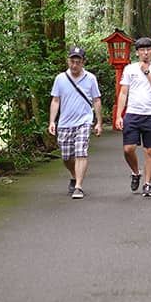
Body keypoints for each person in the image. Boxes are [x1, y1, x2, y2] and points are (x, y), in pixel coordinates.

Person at [48, 46, 102, 199]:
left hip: (84, 121)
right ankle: (73, 175)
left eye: (78, 62)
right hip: (65, 123)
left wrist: (98, 122)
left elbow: (96, 100)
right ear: (68, 61)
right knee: (66, 156)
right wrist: (52, 121)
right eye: (72, 61)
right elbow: (55, 100)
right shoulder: (60, 78)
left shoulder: (90, 78)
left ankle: (78, 186)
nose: (74, 65)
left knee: (81, 152)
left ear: (83, 62)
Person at [115, 36, 151, 197]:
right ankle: (136, 172)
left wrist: (147, 71)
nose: (145, 53)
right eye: (142, 50)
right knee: (128, 149)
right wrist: (118, 116)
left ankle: (147, 184)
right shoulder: (129, 69)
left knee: (150, 150)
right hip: (132, 113)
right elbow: (123, 92)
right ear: (137, 53)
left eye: (148, 50)